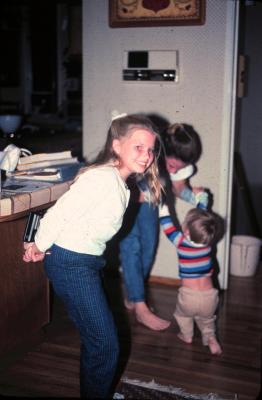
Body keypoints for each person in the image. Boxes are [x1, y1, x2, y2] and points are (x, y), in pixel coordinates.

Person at [22, 113, 162, 399]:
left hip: (82, 261)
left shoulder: (119, 183)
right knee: (105, 343)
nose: (147, 155)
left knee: (97, 338)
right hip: (71, 264)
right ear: (116, 145)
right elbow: (58, 213)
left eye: (150, 149)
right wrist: (39, 244)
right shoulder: (101, 179)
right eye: (138, 147)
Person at [119, 122, 204, 331]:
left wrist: (194, 197)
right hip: (127, 202)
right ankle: (140, 306)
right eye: (172, 165)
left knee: (148, 248)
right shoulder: (147, 153)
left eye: (180, 168)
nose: (174, 170)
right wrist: (143, 194)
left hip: (150, 204)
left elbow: (178, 188)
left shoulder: (176, 166)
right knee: (131, 248)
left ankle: (133, 294)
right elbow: (122, 183)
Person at [159, 202, 224, 355]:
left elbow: (166, 224)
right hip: (210, 296)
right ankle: (211, 339)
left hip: (188, 296)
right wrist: (202, 201)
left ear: (187, 232)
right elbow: (202, 222)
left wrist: (163, 207)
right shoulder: (208, 244)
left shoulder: (181, 243)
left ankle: (187, 335)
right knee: (207, 320)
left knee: (183, 315)